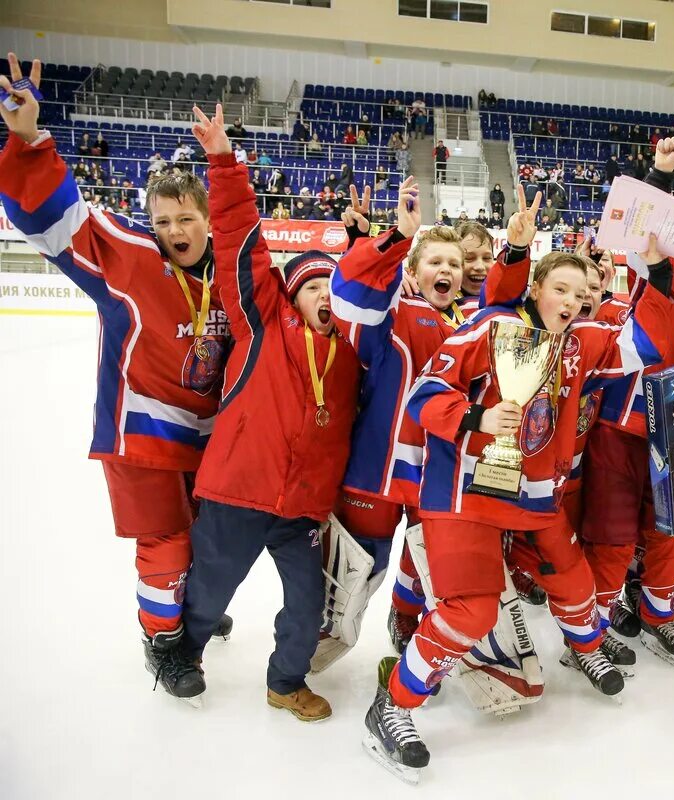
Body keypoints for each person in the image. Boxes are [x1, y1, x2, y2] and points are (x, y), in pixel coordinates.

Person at [362, 240, 674, 782]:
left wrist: (659, 267)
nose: (573, 303)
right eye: (561, 290)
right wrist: (474, 420)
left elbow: (648, 344)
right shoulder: (491, 327)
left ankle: (585, 649)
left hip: (533, 495)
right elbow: (425, 392)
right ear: (535, 288)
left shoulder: (584, 340)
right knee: (472, 610)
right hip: (466, 491)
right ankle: (392, 707)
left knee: (575, 580)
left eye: (582, 296)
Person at [0, 56, 233, 701]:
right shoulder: (130, 261)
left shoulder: (230, 272)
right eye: (162, 221)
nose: (174, 232)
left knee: (202, 545)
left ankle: (184, 609)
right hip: (142, 438)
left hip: (208, 442)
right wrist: (28, 140)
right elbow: (59, 222)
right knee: (164, 547)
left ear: (208, 218)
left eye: (186, 218)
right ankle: (164, 645)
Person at [175, 104, 361, 720]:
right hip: (239, 492)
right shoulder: (264, 326)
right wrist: (224, 163)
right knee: (210, 588)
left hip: (304, 504)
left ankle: (285, 681)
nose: (324, 297)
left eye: (334, 289)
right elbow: (238, 242)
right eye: (313, 287)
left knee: (307, 603)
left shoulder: (355, 354)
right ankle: (187, 651)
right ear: (291, 294)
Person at [325, 183, 533, 665]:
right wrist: (397, 235)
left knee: (423, 563)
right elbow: (351, 296)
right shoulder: (392, 314)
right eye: (435, 262)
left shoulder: (468, 323)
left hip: (437, 474)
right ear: (413, 273)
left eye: (455, 265)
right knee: (358, 566)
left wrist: (517, 250)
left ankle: (405, 619)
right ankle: (315, 639)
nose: (447, 270)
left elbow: (502, 302)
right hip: (377, 470)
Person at [581, 145, 674, 670]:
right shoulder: (666, 294)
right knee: (615, 537)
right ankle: (591, 632)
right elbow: (672, 244)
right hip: (624, 433)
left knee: (671, 535)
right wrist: (666, 178)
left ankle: (658, 615)